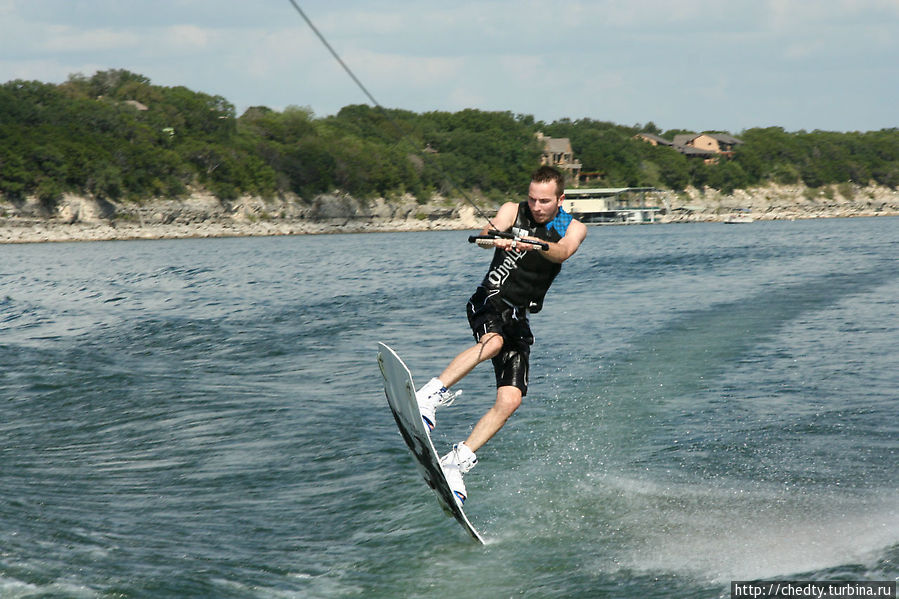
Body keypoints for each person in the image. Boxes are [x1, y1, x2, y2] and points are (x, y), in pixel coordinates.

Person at [416, 165, 587, 507]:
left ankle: (457, 461)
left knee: (510, 400)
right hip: (491, 299)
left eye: (544, 201)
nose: (536, 207)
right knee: (492, 342)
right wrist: (497, 236)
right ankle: (430, 395)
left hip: (519, 316)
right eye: (533, 199)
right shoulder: (514, 210)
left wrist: (532, 244)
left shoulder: (571, 227)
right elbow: (485, 236)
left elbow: (562, 251)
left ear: (561, 199)